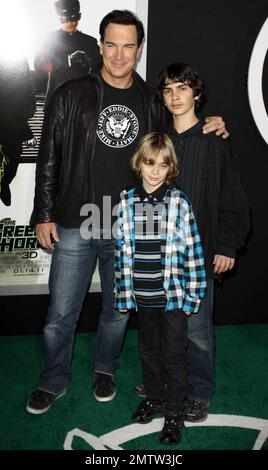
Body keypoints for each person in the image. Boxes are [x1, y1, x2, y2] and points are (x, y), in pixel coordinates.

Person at [26, 10, 229, 415]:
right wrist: (43, 212)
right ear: (100, 46)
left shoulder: (151, 100)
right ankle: (52, 381)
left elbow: (175, 137)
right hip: (76, 219)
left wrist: (214, 124)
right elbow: (49, 155)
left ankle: (106, 369)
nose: (120, 54)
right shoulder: (70, 93)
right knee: (60, 313)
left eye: (129, 45)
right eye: (112, 44)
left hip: (129, 225)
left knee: (118, 311)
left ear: (139, 50)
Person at [134, 62, 250, 423]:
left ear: (196, 94)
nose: (175, 96)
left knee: (197, 330)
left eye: (182, 88)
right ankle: (161, 384)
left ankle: (199, 393)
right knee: (158, 327)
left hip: (198, 258)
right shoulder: (159, 142)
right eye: (168, 90)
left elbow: (233, 198)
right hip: (159, 256)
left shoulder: (215, 142)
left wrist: (227, 245)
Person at [114, 132, 207, 444]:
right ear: (139, 163)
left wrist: (192, 296)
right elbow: (122, 251)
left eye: (163, 165)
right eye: (150, 163)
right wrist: (124, 294)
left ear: (172, 169)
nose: (155, 170)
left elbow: (193, 253)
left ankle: (173, 412)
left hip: (173, 299)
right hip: (143, 298)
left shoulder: (179, 203)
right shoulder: (126, 201)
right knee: (147, 350)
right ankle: (154, 398)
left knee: (174, 355)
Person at [34, 0, 101, 104]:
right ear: (59, 18)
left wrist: (90, 63)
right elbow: (39, 65)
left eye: (73, 17)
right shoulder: (50, 39)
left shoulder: (90, 42)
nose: (70, 22)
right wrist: (67, 61)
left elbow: (100, 69)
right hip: (57, 99)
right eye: (65, 18)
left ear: (79, 16)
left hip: (82, 100)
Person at [0, 57, 36, 206]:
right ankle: (4, 183)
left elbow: (20, 101)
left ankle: (4, 183)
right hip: (9, 119)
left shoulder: (18, 61)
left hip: (10, 119)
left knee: (13, 154)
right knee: (13, 154)